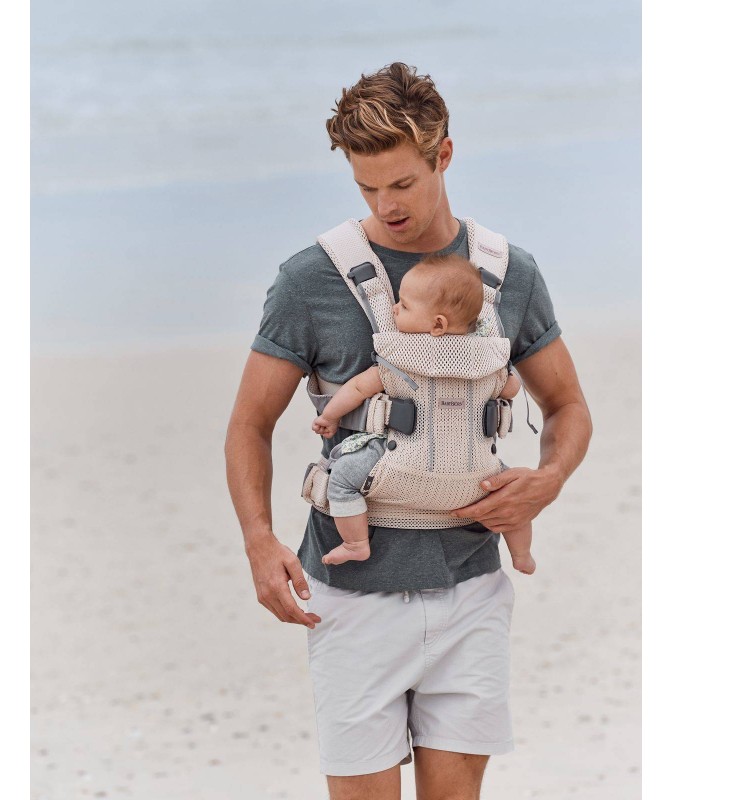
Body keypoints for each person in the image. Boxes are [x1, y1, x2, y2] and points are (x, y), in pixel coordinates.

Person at [225, 62, 592, 800]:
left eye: (401, 184)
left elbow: (568, 407)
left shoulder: (508, 275)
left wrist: (548, 481)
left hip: (472, 588)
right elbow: (248, 424)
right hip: (352, 596)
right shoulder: (309, 280)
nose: (386, 206)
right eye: (367, 188)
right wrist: (259, 542)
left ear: (443, 155)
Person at [312, 253, 535, 575]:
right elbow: (512, 389)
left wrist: (330, 417)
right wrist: (501, 376)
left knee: (342, 479)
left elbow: (357, 389)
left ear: (438, 324)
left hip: (399, 465)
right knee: (513, 498)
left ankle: (355, 543)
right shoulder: (490, 362)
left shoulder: (399, 357)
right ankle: (522, 554)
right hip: (478, 477)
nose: (394, 309)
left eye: (403, 305)